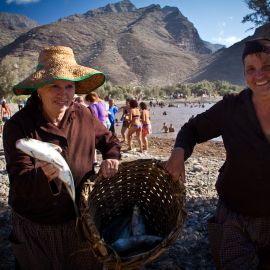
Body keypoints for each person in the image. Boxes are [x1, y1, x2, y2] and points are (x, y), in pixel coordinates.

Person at [3, 45, 121, 270]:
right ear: (38, 89)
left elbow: (110, 140)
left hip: (81, 222)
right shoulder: (18, 127)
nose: (64, 93)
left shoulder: (83, 114)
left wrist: (112, 157)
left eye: (69, 86)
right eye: (54, 85)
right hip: (37, 228)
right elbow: (19, 184)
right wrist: (44, 174)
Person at [165, 37, 270, 269]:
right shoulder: (231, 108)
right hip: (235, 215)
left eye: (267, 66)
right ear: (244, 74)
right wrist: (179, 151)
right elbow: (192, 129)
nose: (259, 75)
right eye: (251, 69)